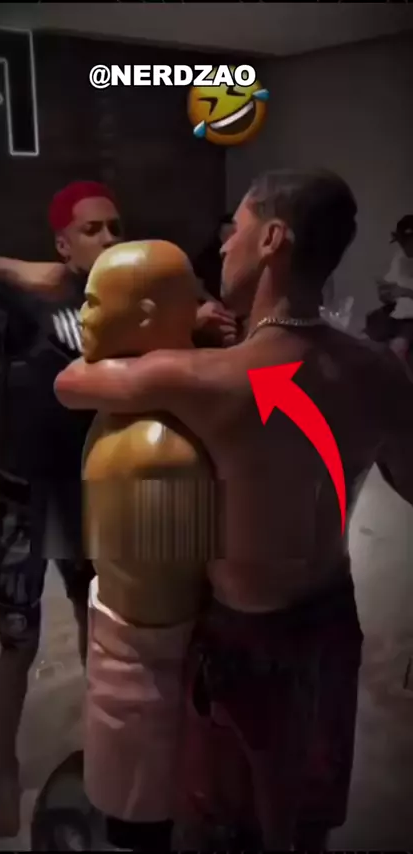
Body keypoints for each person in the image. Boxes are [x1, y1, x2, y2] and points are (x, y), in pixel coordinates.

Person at [54, 168, 413, 851]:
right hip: (332, 621)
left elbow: (74, 382)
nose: (223, 246)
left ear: (273, 240)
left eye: (237, 231)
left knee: (220, 826)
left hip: (246, 640)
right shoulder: (379, 371)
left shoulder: (210, 379)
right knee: (305, 818)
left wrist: (186, 336)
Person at [0, 182, 238, 839]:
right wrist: (13, 270)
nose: (108, 239)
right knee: (17, 643)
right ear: (62, 244)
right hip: (19, 493)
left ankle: (101, 752)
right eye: (92, 229)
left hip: (87, 493)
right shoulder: (32, 294)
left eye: (115, 227)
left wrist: (199, 325)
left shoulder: (126, 305)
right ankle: (5, 768)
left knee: (97, 627)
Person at [373, 215, 413, 362]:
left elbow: (403, 290)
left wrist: (405, 292)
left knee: (398, 349)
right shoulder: (400, 258)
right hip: (399, 316)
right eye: (401, 242)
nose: (402, 247)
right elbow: (392, 284)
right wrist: (386, 294)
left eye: (406, 242)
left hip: (410, 322)